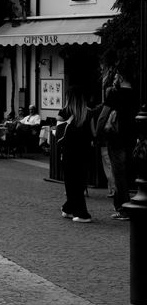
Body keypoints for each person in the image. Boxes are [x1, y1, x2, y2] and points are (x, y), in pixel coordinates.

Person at [102, 77, 136, 220]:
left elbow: (104, 114)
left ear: (121, 77)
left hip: (117, 138)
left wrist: (98, 133)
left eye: (116, 76)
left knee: (119, 173)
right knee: (127, 172)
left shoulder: (114, 93)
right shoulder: (137, 93)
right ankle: (121, 205)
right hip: (132, 137)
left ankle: (123, 207)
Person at [57, 87, 94, 222]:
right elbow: (93, 133)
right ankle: (68, 208)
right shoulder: (88, 113)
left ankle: (82, 213)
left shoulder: (64, 112)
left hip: (69, 151)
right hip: (84, 152)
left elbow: (58, 133)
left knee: (70, 182)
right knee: (79, 182)